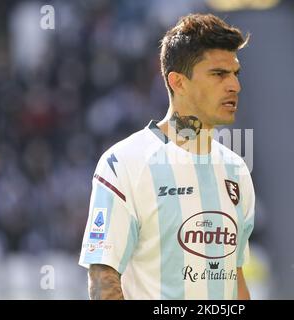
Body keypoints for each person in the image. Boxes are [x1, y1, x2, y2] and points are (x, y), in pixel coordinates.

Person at [78, 13, 255, 300]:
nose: (234, 86)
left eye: (236, 74)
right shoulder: (123, 164)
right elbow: (103, 279)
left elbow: (234, 278)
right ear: (178, 82)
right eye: (219, 74)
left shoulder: (237, 170)